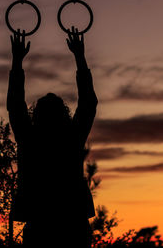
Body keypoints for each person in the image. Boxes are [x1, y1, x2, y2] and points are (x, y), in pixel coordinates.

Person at [7, 28, 98, 247]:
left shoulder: (29, 138)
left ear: (36, 115)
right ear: (63, 114)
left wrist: (17, 62)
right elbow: (88, 104)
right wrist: (80, 58)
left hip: (40, 223)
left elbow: (16, 105)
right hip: (72, 222)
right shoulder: (71, 137)